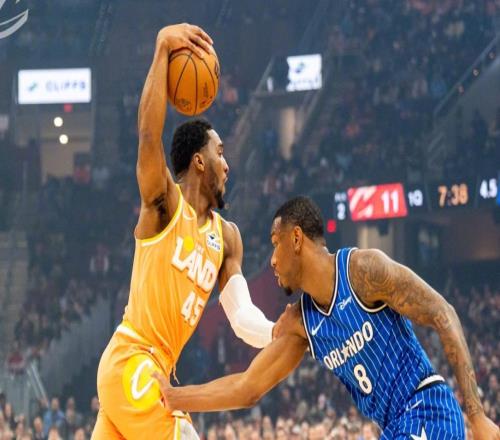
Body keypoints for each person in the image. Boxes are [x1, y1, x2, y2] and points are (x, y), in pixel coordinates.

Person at [155, 196, 500, 439]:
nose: (271, 260)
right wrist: (174, 397)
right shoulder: (302, 323)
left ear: (296, 238)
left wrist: (477, 415)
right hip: (394, 428)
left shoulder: (363, 271)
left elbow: (442, 313)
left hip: (427, 410)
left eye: (274, 243)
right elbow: (247, 387)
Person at [91, 23, 276, 439]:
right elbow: (147, 135)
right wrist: (162, 49)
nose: (227, 164)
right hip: (134, 361)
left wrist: (278, 332)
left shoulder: (228, 238)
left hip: (153, 371)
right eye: (220, 152)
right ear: (198, 161)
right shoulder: (164, 205)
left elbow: (242, 318)